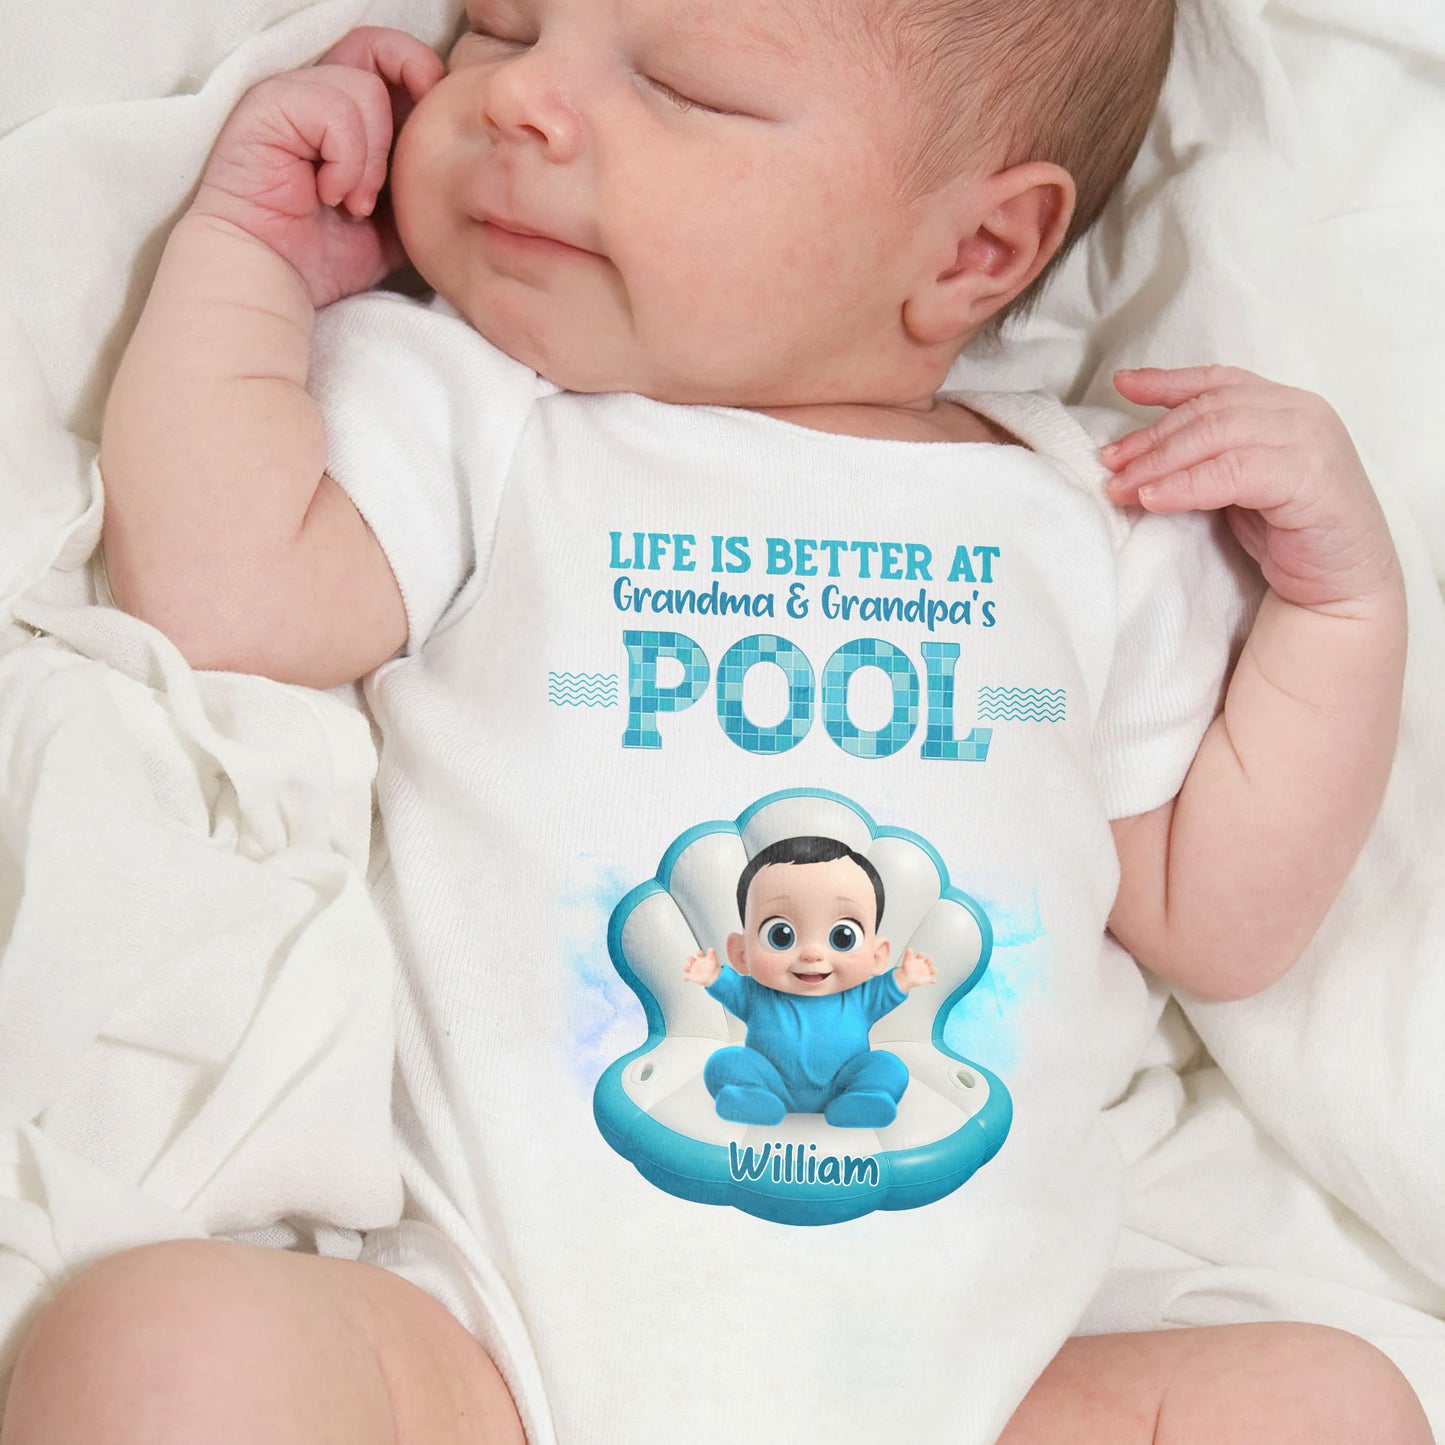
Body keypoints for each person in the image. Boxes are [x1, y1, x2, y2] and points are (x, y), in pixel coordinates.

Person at [0, 0, 1428, 1442]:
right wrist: (245, 258)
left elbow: (1222, 915)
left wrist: (1343, 614)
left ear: (975, 251)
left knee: (1334, 1404)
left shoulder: (1088, 522)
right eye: (500, 30)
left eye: (682, 89)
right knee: (159, 1349)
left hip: (988, 1396)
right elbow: (222, 597)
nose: (522, 104)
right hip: (491, 1365)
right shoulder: (492, 416)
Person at [683, 834, 937, 1127]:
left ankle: (865, 1098)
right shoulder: (755, 995)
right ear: (741, 953)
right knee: (723, 1064)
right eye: (781, 936)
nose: (813, 954)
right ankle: (752, 1098)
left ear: (877, 956)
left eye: (842, 937)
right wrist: (712, 975)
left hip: (845, 1083)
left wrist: (906, 977)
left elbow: (888, 990)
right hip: (769, 1081)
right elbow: (729, 987)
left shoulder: (860, 997)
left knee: (888, 1067)